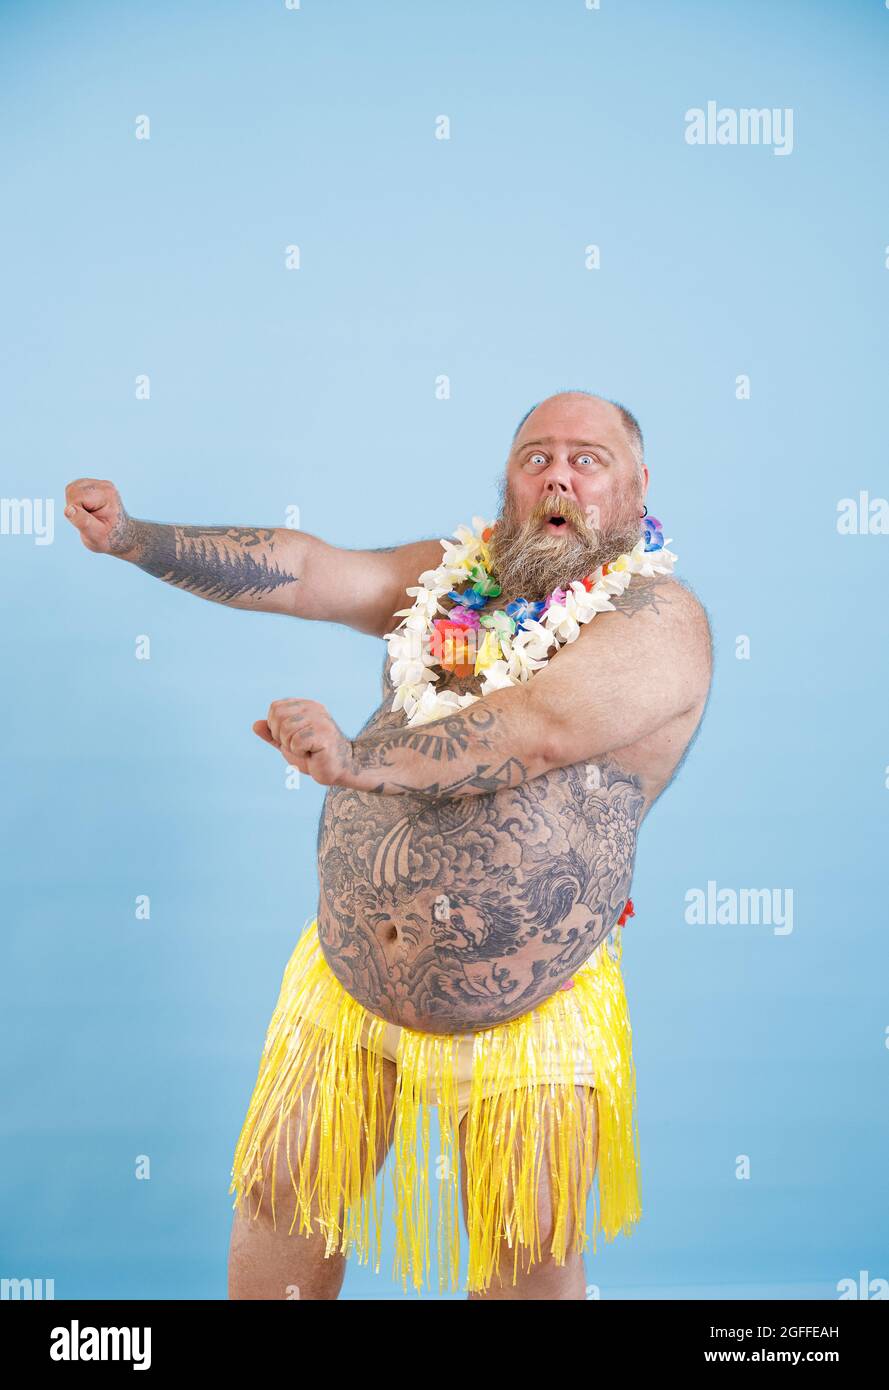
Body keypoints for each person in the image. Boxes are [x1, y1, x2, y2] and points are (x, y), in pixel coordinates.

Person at [64, 390, 712, 1300]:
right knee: (282, 1194)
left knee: (526, 1247)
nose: (557, 472)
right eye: (535, 456)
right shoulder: (453, 579)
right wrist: (139, 537)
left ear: (639, 486)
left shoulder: (658, 621)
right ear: (509, 483)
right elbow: (311, 571)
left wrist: (356, 762)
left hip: (527, 1001)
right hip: (347, 986)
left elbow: (537, 729)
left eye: (587, 458)